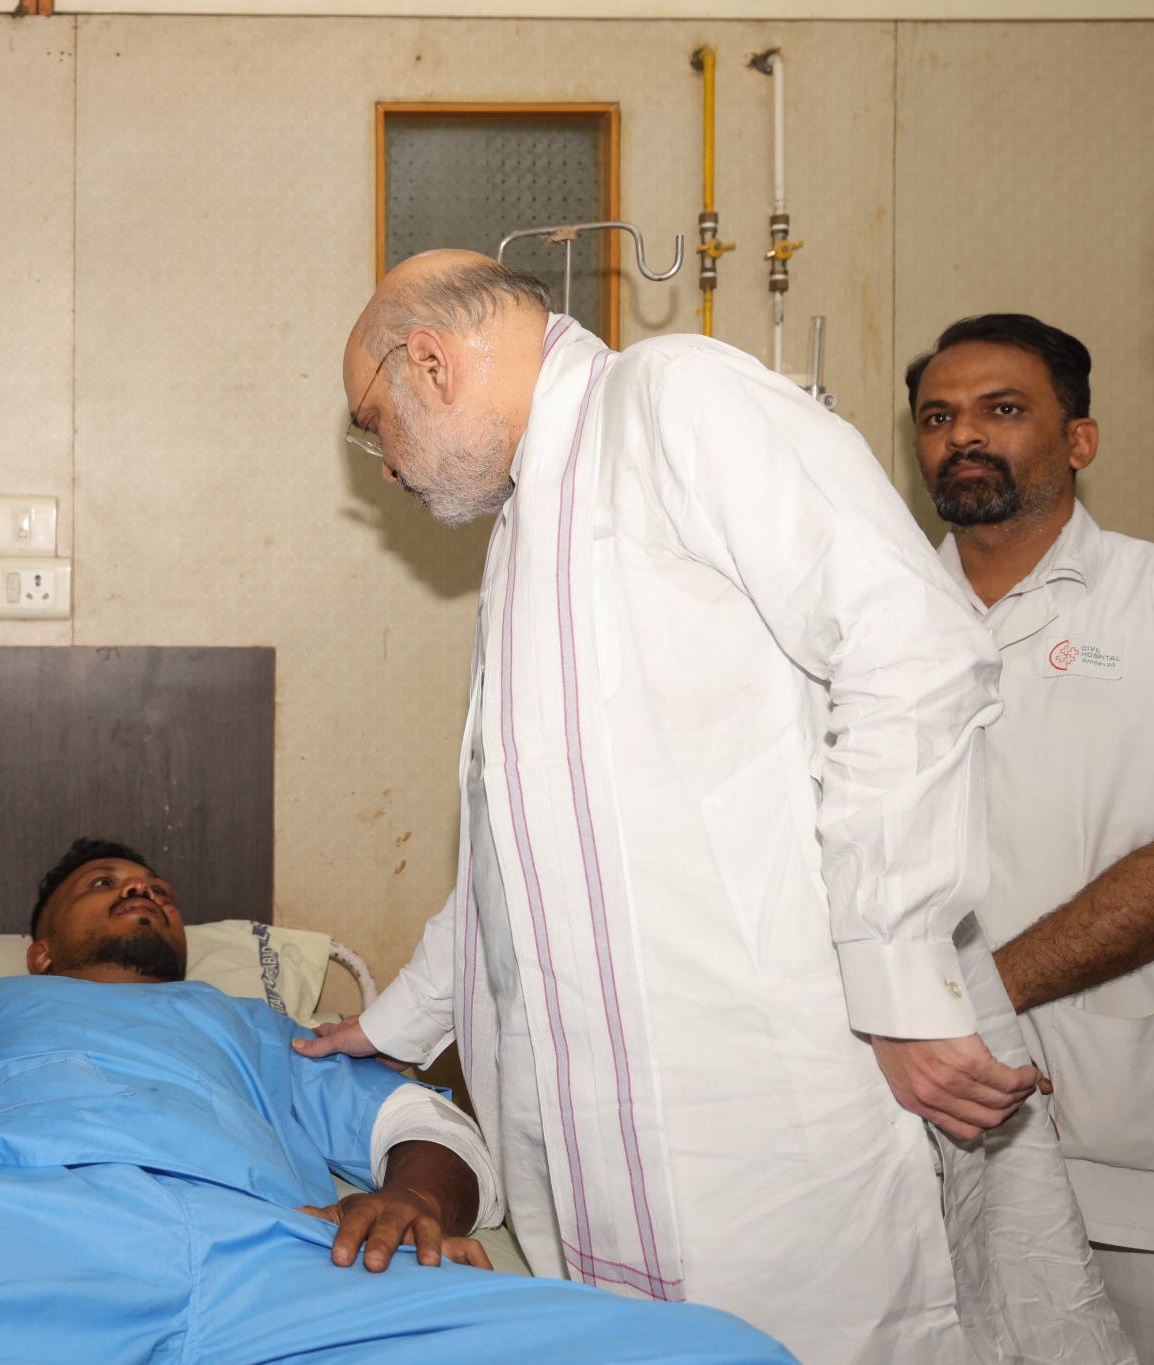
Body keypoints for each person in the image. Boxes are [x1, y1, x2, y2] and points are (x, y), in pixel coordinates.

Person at [300, 250, 1132, 1364]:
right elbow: (519, 841)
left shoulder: (671, 398)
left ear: (431, 364)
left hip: (756, 1091)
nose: (384, 465)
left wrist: (896, 976)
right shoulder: (528, 522)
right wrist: (402, 1016)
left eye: (373, 425)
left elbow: (911, 645)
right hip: (597, 1121)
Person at [0, 838, 791, 1365]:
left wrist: (415, 1200)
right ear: (37, 947)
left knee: (721, 1353)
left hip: (274, 1260)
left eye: (156, 887)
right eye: (104, 884)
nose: (142, 892)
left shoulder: (256, 1027)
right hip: (0, 1236)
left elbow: (418, 1124)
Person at [908, 313, 1154, 1359]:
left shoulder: (1143, 607)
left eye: (1000, 410)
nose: (962, 436)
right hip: (909, 1138)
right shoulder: (867, 623)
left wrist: (969, 999)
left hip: (1115, 1152)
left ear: (1078, 440)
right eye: (935, 417)